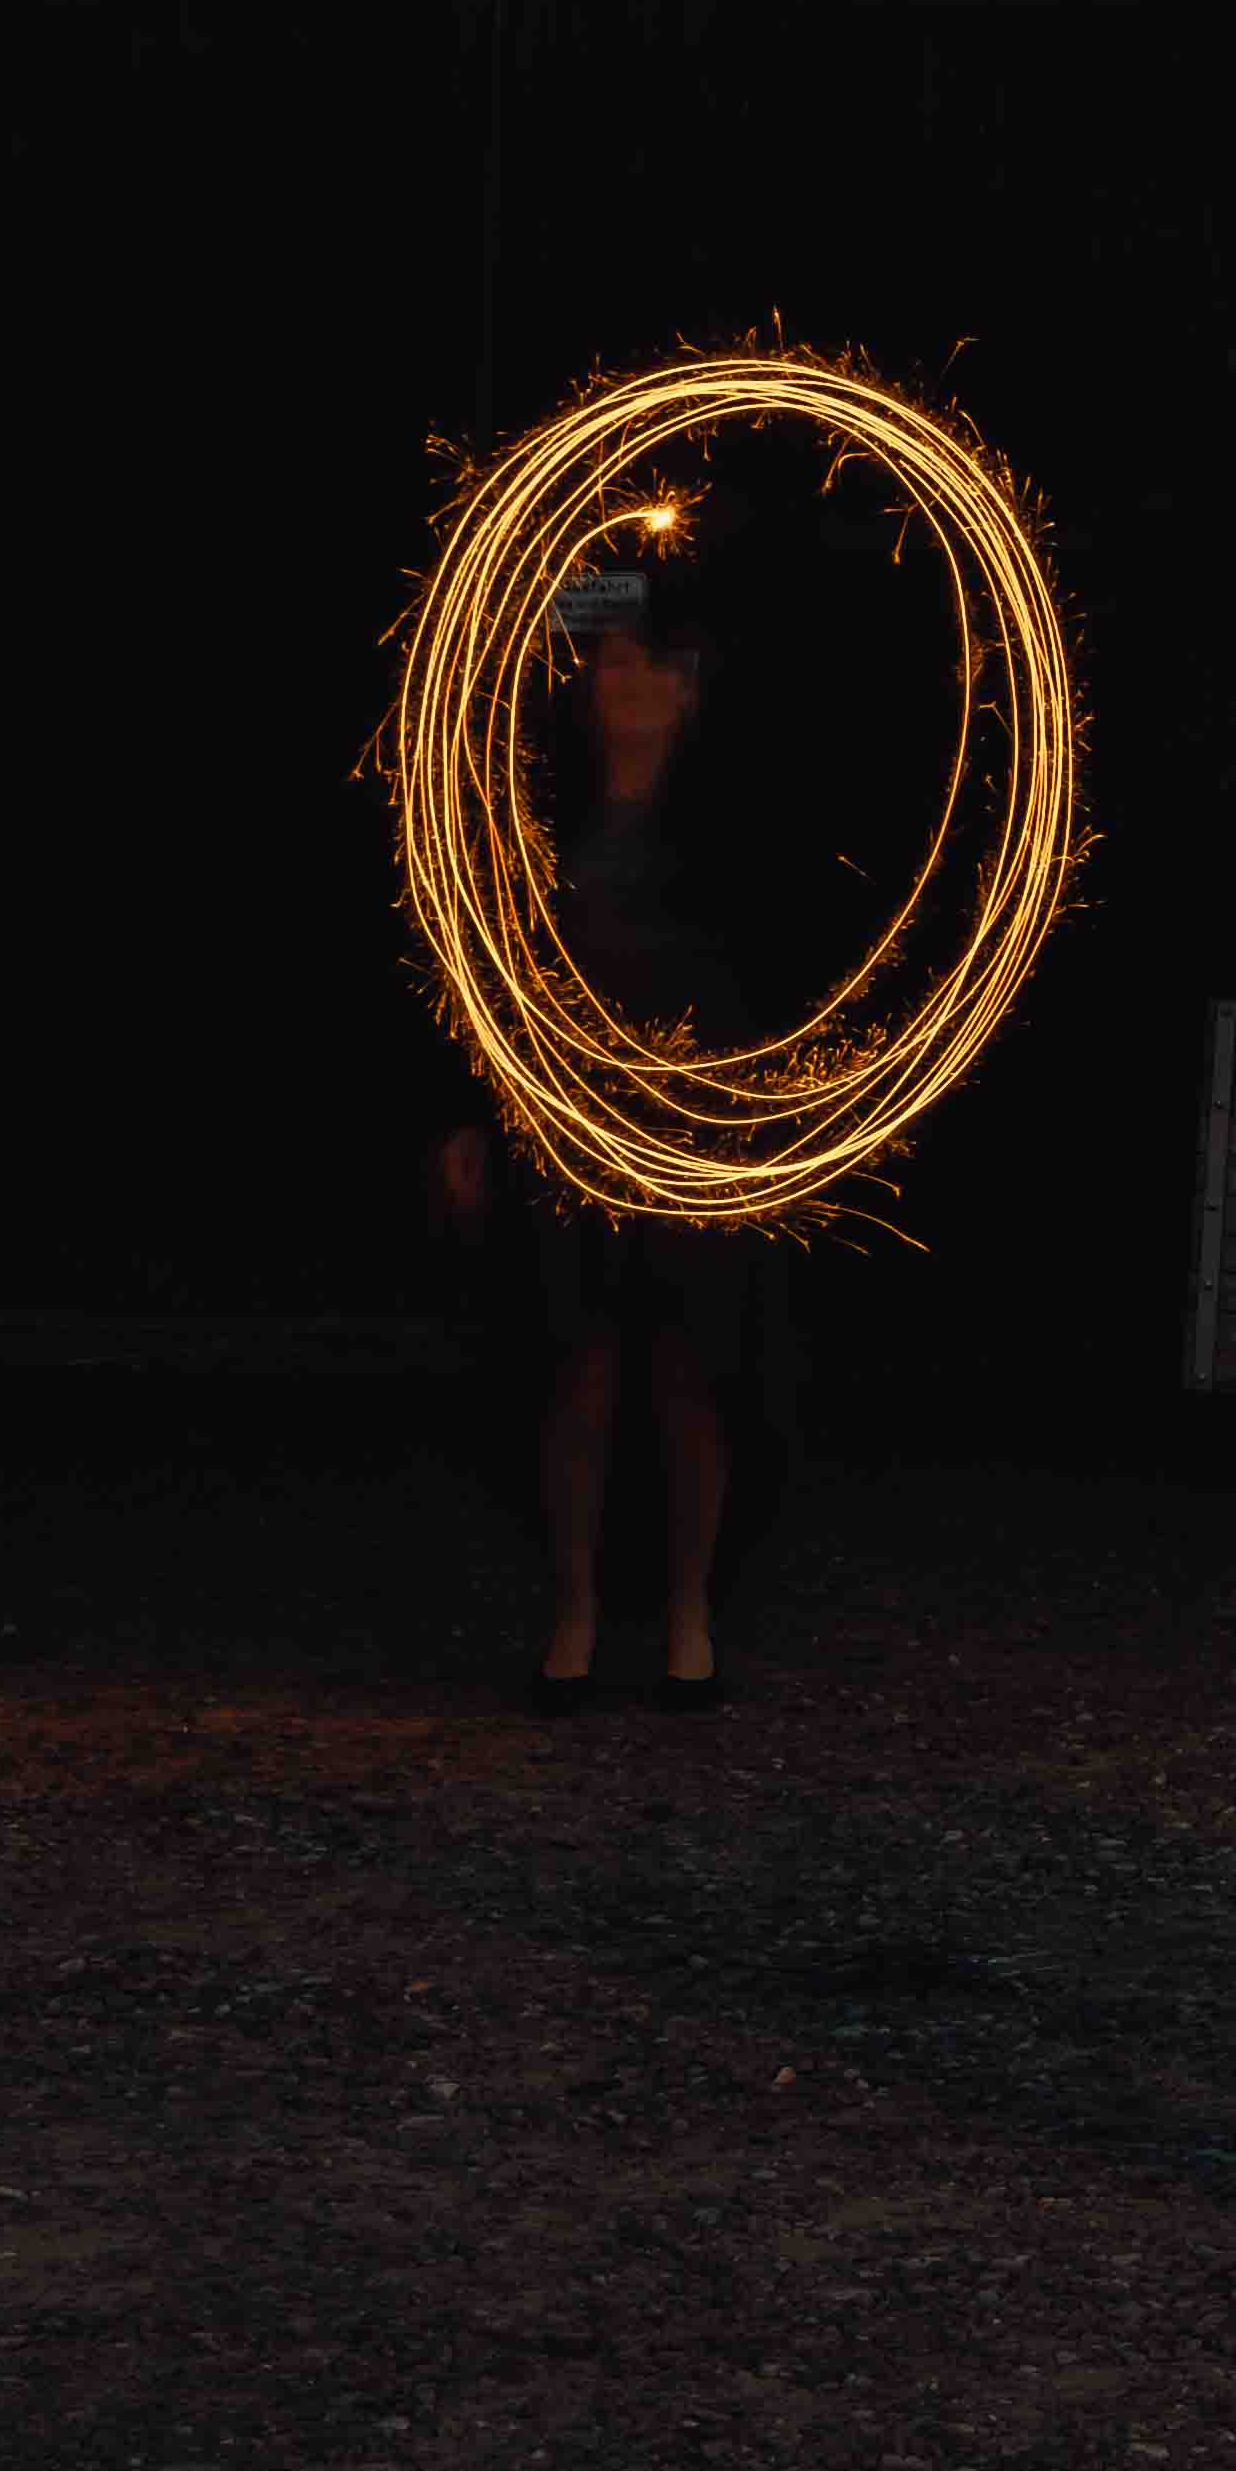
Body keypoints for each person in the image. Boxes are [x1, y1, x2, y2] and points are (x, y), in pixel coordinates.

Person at [431, 584, 788, 1712]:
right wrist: (471, 1116)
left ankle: (688, 1618)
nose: (616, 682)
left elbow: (770, 979)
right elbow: (491, 966)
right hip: (563, 1120)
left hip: (689, 1129)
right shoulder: (546, 807)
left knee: (690, 1369)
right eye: (607, 664)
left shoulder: (729, 821)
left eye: (641, 665)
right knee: (575, 1368)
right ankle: (576, 1614)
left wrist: (757, 1114)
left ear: (687, 687)